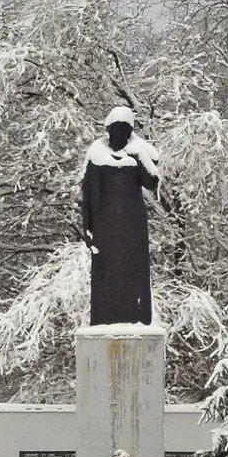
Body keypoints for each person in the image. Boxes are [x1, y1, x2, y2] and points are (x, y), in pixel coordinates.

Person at [79, 105, 160, 325]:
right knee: (106, 278)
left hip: (133, 227)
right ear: (110, 130)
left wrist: (138, 154)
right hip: (105, 228)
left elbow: (152, 181)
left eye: (126, 130)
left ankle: (136, 319)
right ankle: (106, 320)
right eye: (117, 129)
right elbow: (86, 196)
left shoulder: (136, 151)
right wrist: (87, 228)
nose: (121, 134)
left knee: (134, 276)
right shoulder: (97, 154)